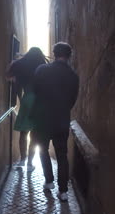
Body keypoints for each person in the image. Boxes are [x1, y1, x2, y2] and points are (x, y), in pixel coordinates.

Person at [31, 42, 79, 201]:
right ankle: (63, 191)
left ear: (54, 53)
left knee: (43, 150)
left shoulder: (41, 70)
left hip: (42, 120)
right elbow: (72, 100)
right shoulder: (73, 76)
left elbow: (35, 93)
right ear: (69, 56)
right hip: (62, 121)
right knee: (62, 155)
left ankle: (49, 180)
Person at [6, 47, 48, 171]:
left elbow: (8, 76)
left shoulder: (21, 65)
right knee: (35, 134)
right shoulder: (42, 67)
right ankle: (30, 163)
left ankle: (22, 160)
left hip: (26, 100)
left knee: (23, 133)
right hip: (39, 102)